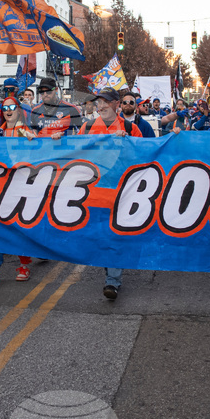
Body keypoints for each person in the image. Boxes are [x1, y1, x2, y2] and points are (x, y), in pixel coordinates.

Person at [77, 89, 142, 301]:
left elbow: (146, 156)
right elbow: (73, 152)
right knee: (100, 235)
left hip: (121, 192)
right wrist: (58, 140)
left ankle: (112, 281)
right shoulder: (87, 127)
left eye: (105, 102)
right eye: (99, 103)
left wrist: (129, 143)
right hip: (93, 192)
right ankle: (110, 273)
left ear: (116, 104)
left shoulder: (131, 128)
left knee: (114, 235)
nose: (101, 106)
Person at [0, 95, 36, 286]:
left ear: (19, 110)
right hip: (0, 187)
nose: (8, 110)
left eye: (12, 107)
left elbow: (37, 145)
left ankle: (25, 265)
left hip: (21, 186)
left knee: (18, 227)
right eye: (4, 108)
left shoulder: (23, 131)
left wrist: (39, 139)